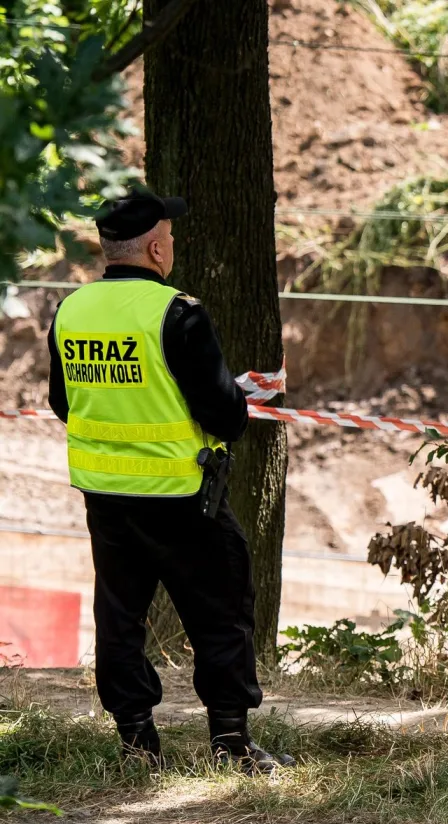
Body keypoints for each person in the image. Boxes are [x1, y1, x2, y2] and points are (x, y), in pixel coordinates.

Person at [45, 190, 293, 775]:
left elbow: (63, 401)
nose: (174, 244)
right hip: (183, 499)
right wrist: (237, 396)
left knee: (120, 619)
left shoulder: (72, 310)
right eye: (171, 236)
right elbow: (224, 417)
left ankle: (136, 745)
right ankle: (231, 745)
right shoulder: (178, 313)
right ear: (157, 247)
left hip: (106, 497)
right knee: (222, 613)